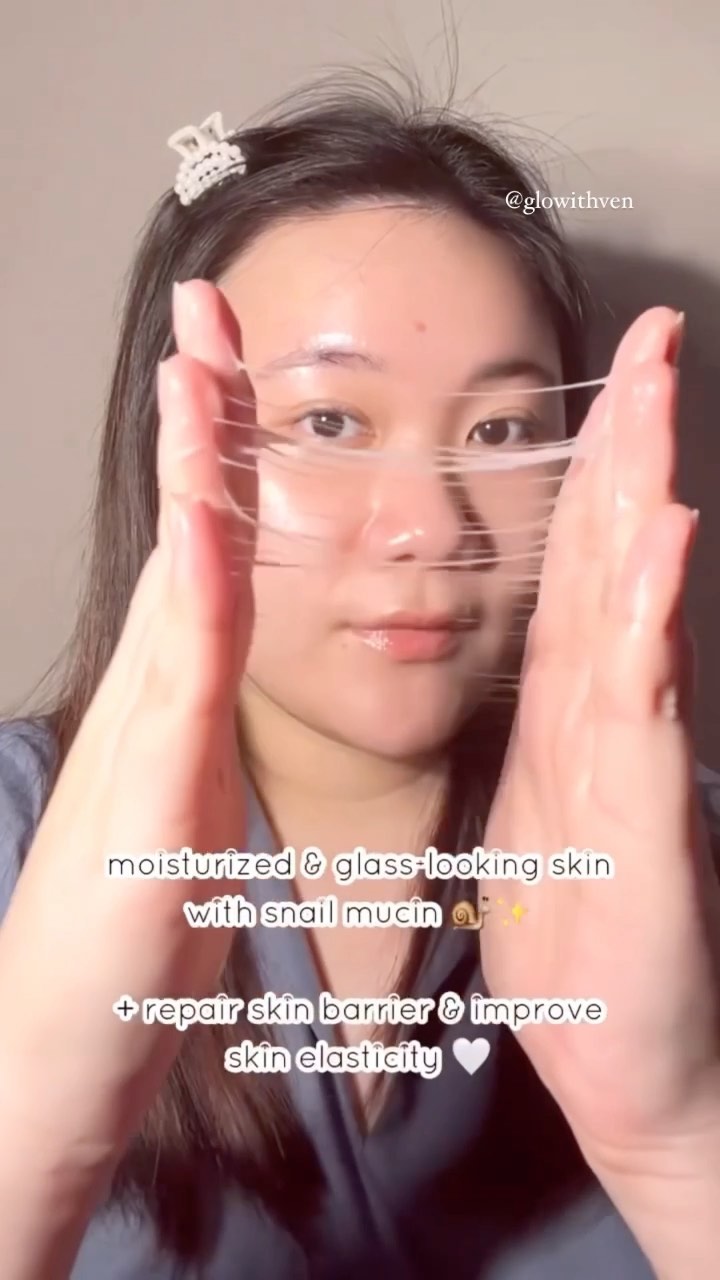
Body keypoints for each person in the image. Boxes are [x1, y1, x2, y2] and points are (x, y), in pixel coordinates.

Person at [0, 74, 719, 1280]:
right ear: (169, 448)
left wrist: (682, 1134)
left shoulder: (684, 856)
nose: (429, 527)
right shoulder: (18, 831)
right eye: (329, 421)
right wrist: (34, 1127)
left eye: (501, 430)